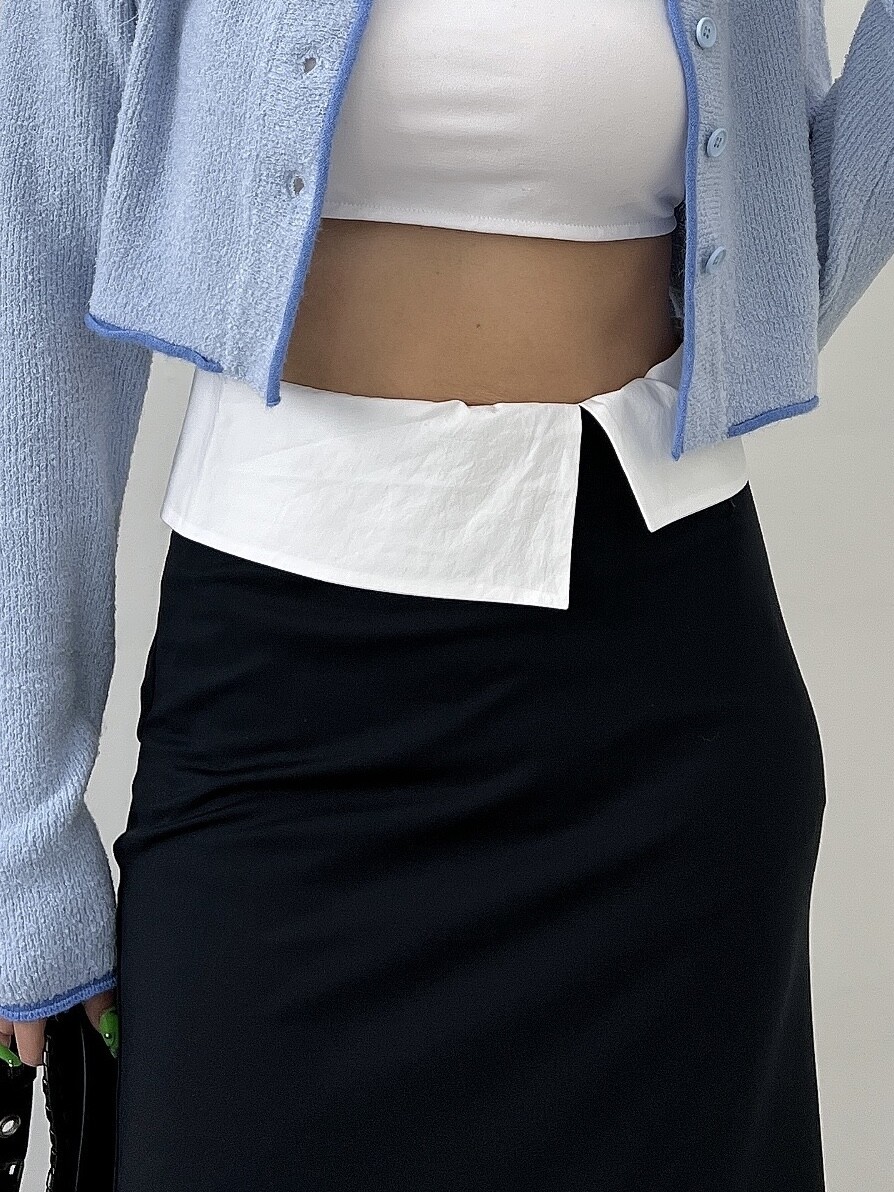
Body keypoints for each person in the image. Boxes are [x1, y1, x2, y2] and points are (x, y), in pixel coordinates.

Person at [1, 0, 892, 1188]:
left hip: (663, 728)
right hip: (280, 720)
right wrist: (21, 842)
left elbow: (773, 276)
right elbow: (37, 246)